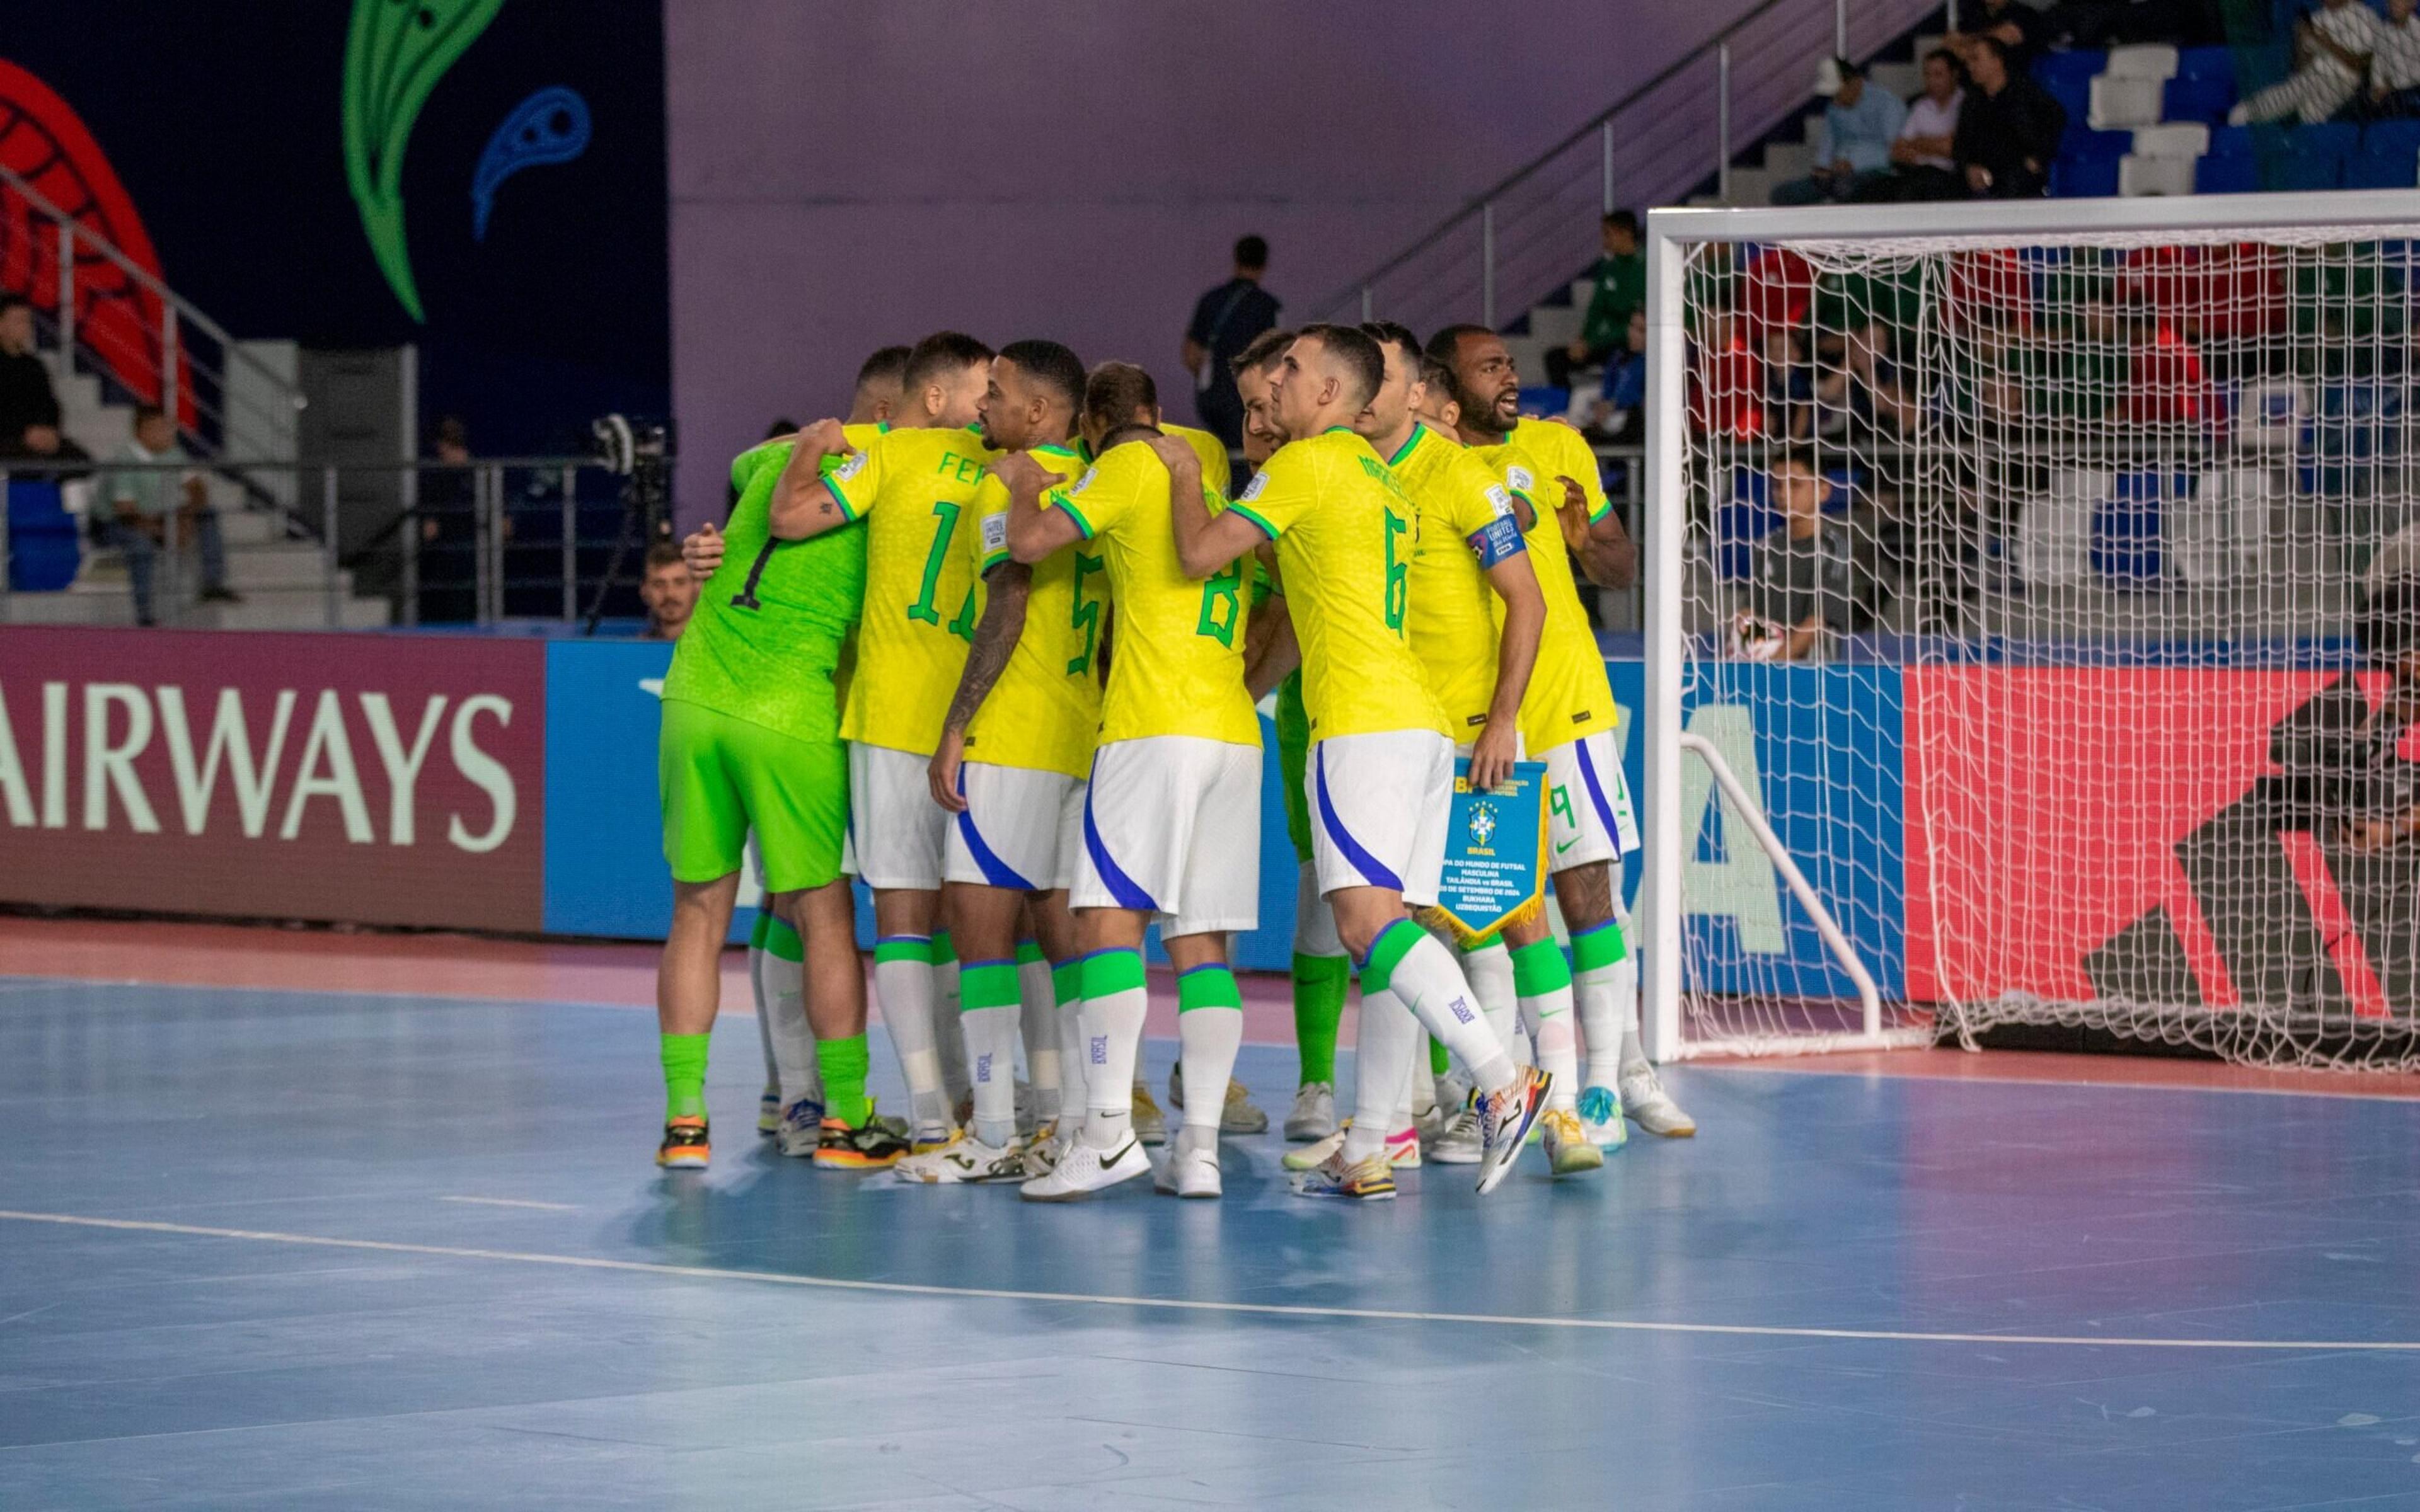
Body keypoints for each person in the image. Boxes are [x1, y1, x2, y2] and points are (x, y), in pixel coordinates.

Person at [1164, 324, 1554, 1200]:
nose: (1275, 382)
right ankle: (1371, 1141)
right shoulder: (1380, 479)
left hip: (1361, 724)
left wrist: (1186, 475)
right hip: (1416, 722)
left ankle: (1502, 1080)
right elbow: (1306, 571)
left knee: (1363, 928)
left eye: (1291, 373)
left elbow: (1196, 555)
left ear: (1333, 395)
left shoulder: (1307, 468)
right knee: (1396, 937)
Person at [991, 362, 1264, 1201]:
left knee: (1108, 923)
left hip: (1150, 725)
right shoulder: (1216, 473)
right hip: (1232, 727)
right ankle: (1202, 1152)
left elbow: (1032, 545)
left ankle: (1107, 1134)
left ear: (1097, 425)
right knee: (1203, 945)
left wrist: (1024, 488)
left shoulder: (1127, 463)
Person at [1430, 323, 1697, 1144]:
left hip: (1569, 704)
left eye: (1512, 361)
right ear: (1447, 389)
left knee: (1590, 893)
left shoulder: (1560, 448)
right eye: (1490, 368)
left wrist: (1589, 544)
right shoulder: (1430, 467)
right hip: (1479, 720)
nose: (1511, 376)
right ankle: (1507, 1094)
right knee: (1493, 912)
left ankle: (1621, 1082)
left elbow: (1621, 565)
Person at [743, 332, 997, 1158]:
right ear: (929, 400)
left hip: (877, 713)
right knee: (974, 920)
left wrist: (821, 441)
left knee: (853, 909)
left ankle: (899, 1105)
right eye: (979, 389)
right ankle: (972, 1103)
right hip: (967, 716)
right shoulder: (1006, 461)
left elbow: (773, 491)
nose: (988, 404)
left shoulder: (883, 454)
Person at [647, 398, 908, 1174]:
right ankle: (843, 1119)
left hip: (692, 699)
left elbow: (742, 469)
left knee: (697, 912)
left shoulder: (763, 466)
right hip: (790, 713)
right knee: (824, 915)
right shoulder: (891, 485)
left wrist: (813, 441)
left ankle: (685, 1124)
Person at [895, 340, 1095, 1184]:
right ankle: (1074, 1125)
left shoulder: (1001, 484)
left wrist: (955, 725)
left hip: (1008, 740)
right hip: (1079, 736)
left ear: (1039, 413)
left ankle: (991, 1135)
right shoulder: (1101, 483)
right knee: (1067, 943)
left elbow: (1007, 601)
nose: (984, 405)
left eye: (1000, 394)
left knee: (980, 939)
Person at [97, 404, 240, 626]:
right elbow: (126, 512)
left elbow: (197, 489)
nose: (167, 433)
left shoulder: (174, 453)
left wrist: (186, 519)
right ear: (141, 432)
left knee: (208, 515)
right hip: (117, 523)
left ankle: (213, 584)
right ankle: (144, 615)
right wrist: (165, 532)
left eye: (169, 428)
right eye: (159, 428)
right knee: (141, 546)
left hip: (159, 516)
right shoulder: (126, 460)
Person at [1736, 447, 1860, 663]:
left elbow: (1817, 624)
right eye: (1777, 486)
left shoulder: (1834, 548)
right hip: (1766, 664)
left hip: (1814, 675)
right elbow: (1748, 611)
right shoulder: (1768, 545)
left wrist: (1775, 663)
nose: (1783, 494)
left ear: (1823, 491)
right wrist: (1750, 647)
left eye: (1795, 485)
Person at [1182, 235, 1281, 451]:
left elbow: (1190, 354)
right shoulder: (1266, 306)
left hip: (1210, 399)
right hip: (1245, 399)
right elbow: (1275, 356)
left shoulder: (1211, 300)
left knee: (1221, 456)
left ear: (1235, 259)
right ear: (1264, 264)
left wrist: (1209, 379)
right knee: (1245, 458)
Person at [1771, 59, 1908, 206]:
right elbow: (1828, 142)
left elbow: (1896, 150)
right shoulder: (1834, 108)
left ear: (1854, 83)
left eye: (1838, 93)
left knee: (1844, 188)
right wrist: (1822, 167)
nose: (1835, 99)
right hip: (1838, 174)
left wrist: (1855, 164)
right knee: (1782, 194)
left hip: (1878, 172)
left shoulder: (1887, 104)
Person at [1954, 37, 2066, 198]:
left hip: (2017, 174)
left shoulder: (2025, 93)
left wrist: (2038, 158)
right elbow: (1961, 143)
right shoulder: (1972, 102)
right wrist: (1968, 168)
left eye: (1976, 59)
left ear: (1997, 61)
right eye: (1969, 61)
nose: (1970, 67)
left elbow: (2056, 119)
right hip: (1982, 175)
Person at [2233, 0, 2377, 125]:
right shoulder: (2317, 18)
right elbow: (2300, 68)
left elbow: (2361, 65)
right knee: (2241, 113)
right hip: (2309, 78)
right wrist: (2300, 39)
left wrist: (2328, 43)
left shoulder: (2364, 16)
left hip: (2343, 81)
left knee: (2311, 119)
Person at [1545, 211, 1644, 391]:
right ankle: (1565, 412)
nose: (1605, 241)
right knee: (1555, 358)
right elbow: (1596, 310)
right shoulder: (1608, 267)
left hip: (1627, 344)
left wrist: (1594, 341)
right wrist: (1583, 340)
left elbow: (1632, 314)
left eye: (1608, 234)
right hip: (1603, 343)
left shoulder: (1644, 265)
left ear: (1626, 233)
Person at [1877, 49, 1968, 203]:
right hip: (1918, 173)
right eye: (1927, 75)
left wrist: (1916, 143)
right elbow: (1897, 150)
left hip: (1951, 177)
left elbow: (1951, 148)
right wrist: (1934, 145)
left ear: (1954, 75)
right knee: (1878, 188)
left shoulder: (1965, 104)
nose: (1931, 81)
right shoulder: (1921, 106)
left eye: (1938, 75)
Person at [0, 295, 60, 454]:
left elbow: (50, 405)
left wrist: (48, 430)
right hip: (9, 440)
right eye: (19, 321)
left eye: (28, 321)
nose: (26, 327)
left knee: (79, 460)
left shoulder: (35, 366)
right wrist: (24, 433)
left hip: (37, 439)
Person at [1947, 0, 2049, 75]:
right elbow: (1955, 47)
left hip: (2016, 89)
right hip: (1979, 91)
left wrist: (1965, 41)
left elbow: (2007, 35)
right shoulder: (1975, 16)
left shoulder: (2024, 13)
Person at [2368, 0, 2420, 117]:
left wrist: (2391, 86)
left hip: (2411, 90)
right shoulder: (2383, 31)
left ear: (2412, 4)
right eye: (2392, 3)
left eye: (2401, 2)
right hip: (2386, 92)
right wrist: (2378, 86)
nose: (2395, 6)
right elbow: (2377, 64)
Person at [638, 542, 698, 640]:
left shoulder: (720, 646)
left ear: (697, 587)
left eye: (680, 583)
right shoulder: (635, 650)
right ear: (644, 591)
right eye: (659, 584)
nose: (670, 594)